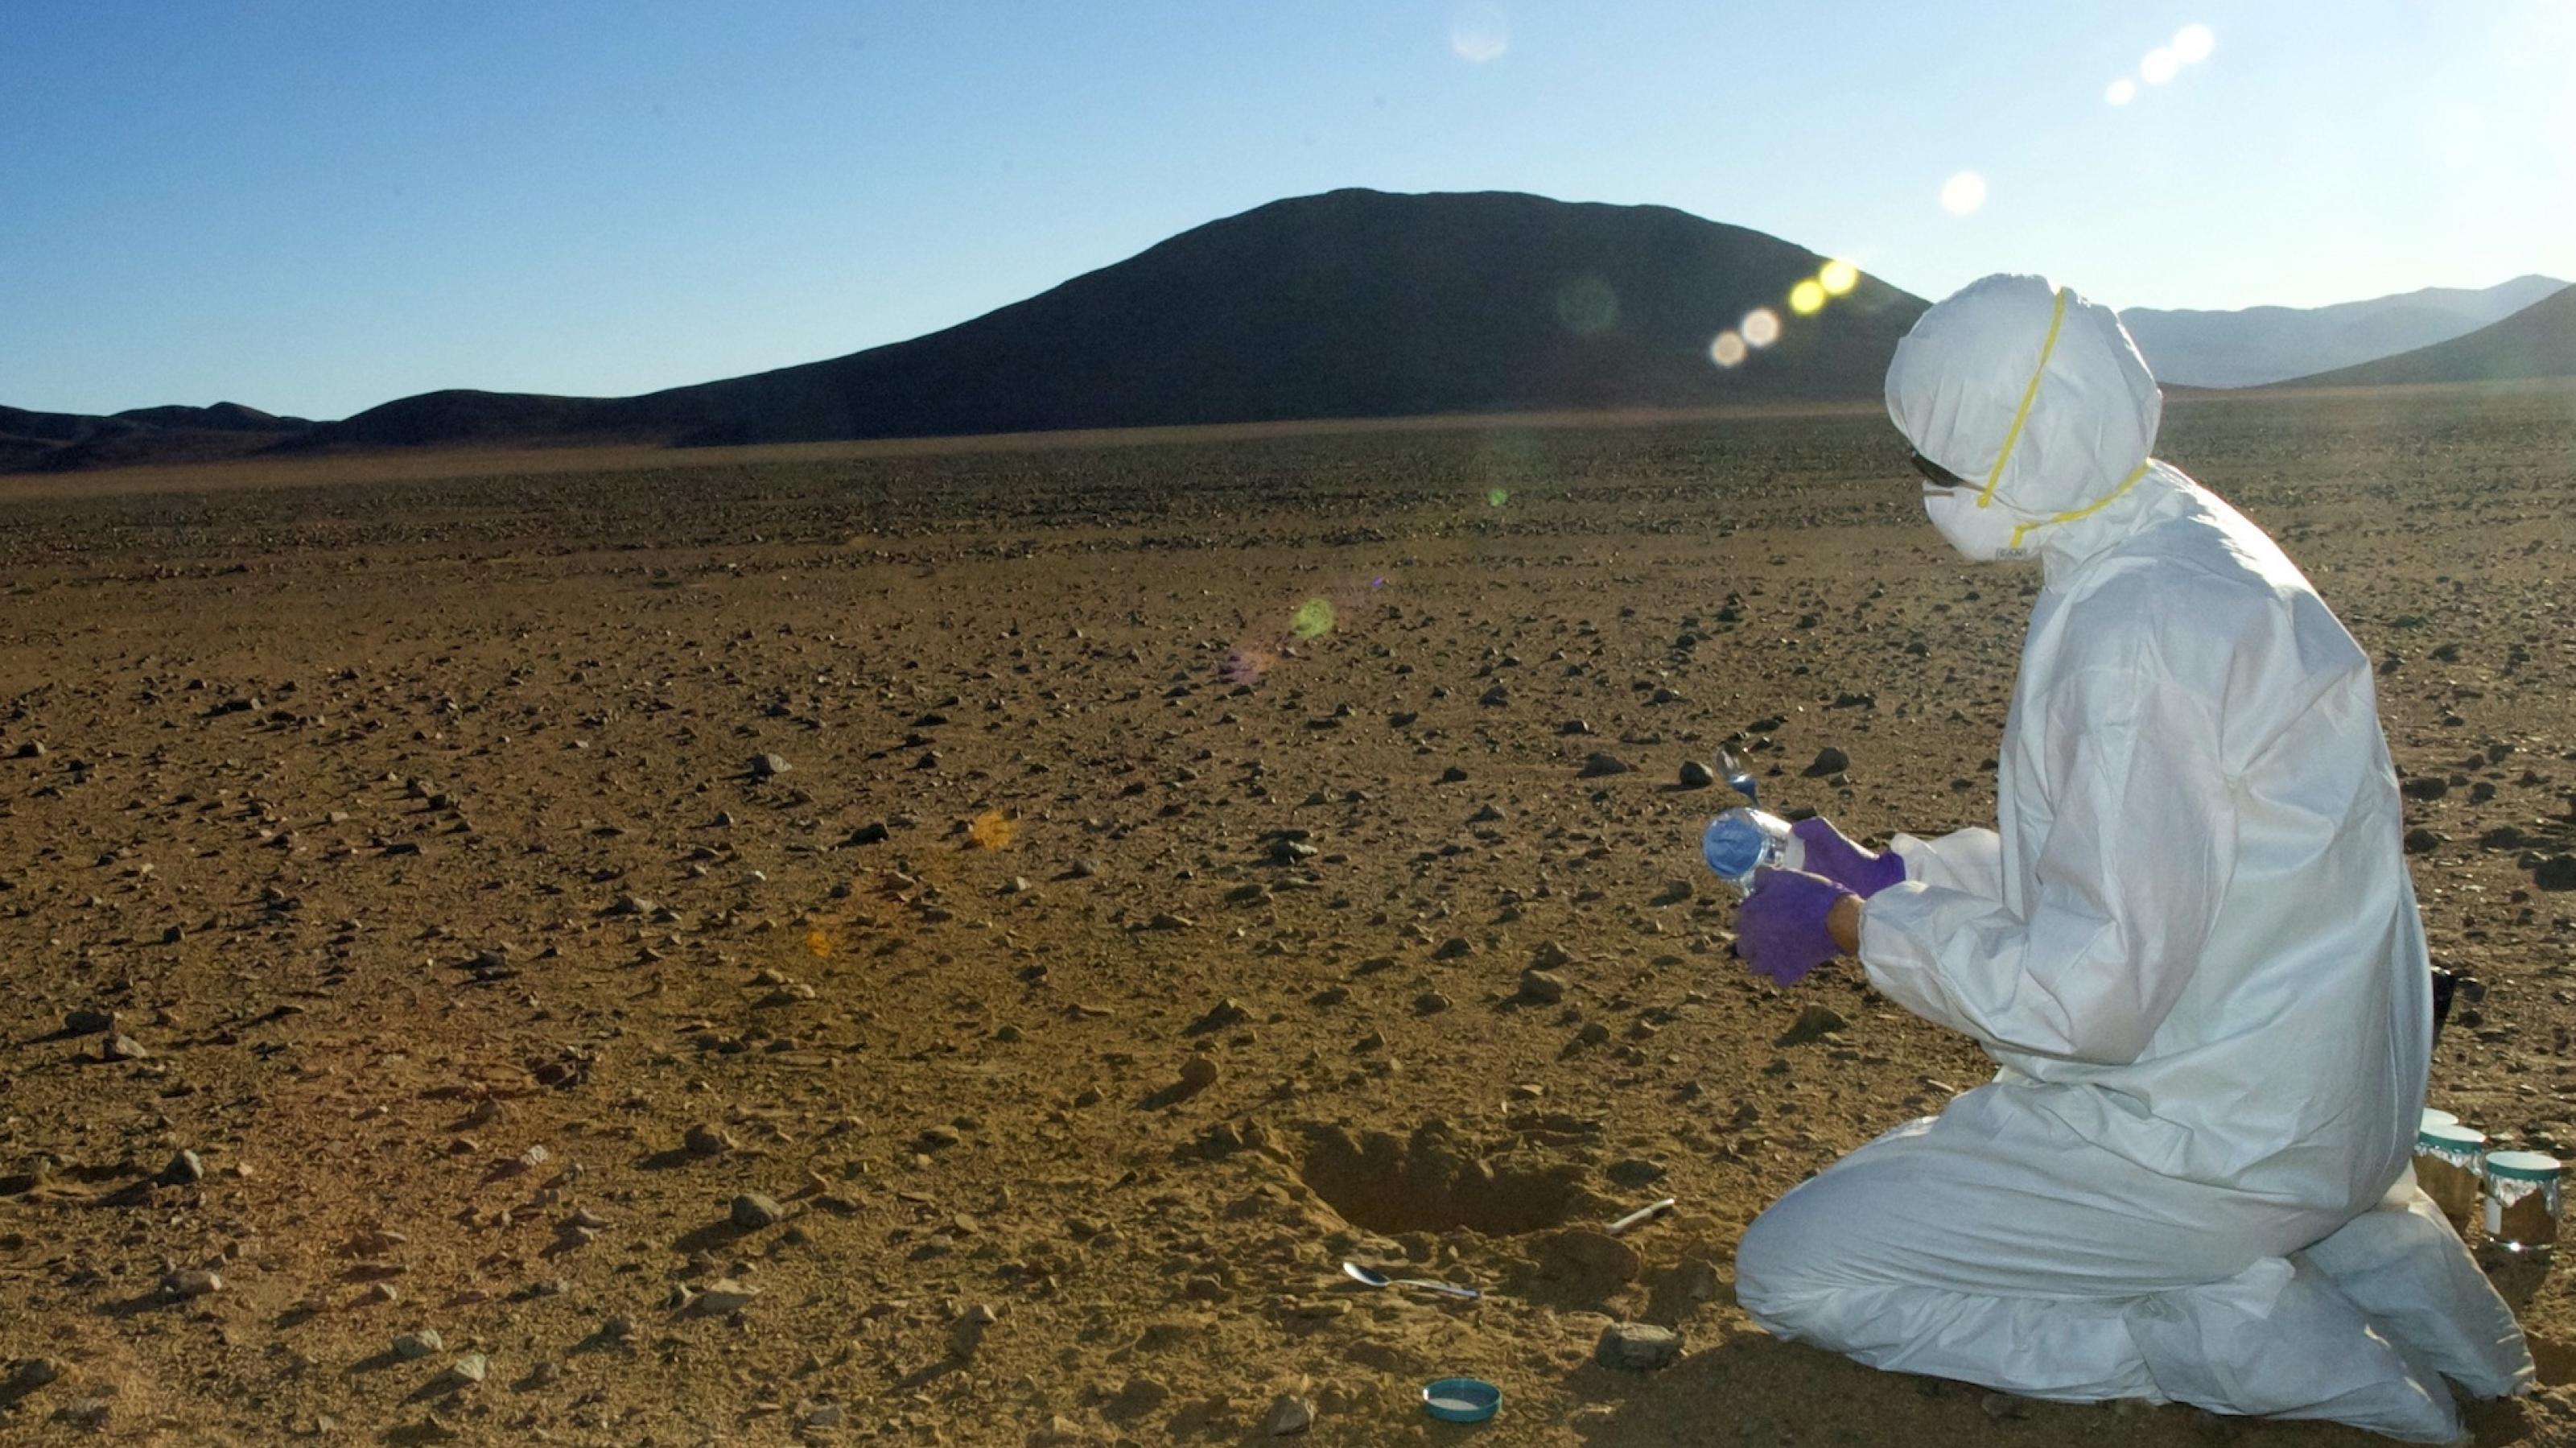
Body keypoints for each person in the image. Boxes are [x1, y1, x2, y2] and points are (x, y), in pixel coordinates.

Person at [1726, 274, 2533, 1442]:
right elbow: (2144, 862)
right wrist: (1898, 873)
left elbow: (2087, 995)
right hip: (2312, 1094)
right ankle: (2358, 1282)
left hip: (2206, 1142)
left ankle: (2231, 1333)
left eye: (1942, 464)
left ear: (2031, 448)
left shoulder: (2130, 640)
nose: (1930, 492)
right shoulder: (2175, 536)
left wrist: (1852, 929)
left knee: (1793, 1269)